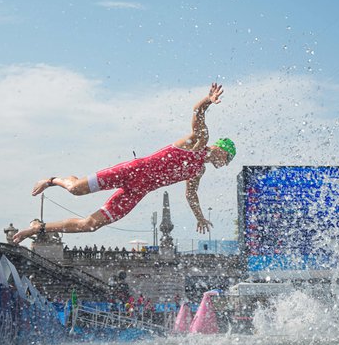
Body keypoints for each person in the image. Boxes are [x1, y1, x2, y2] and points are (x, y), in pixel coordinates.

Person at [13, 83, 236, 244]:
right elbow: (197, 112)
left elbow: (191, 195)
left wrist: (200, 217)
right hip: (131, 171)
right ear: (220, 148)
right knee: (75, 189)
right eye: (227, 158)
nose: (225, 164)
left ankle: (36, 228)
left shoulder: (199, 170)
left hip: (138, 191)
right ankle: (52, 180)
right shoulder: (199, 141)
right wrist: (209, 100)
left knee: (90, 225)